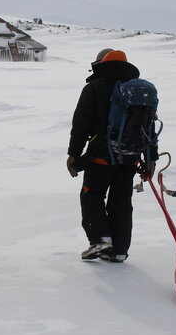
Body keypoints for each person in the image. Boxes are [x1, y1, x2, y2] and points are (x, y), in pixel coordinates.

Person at [67, 48, 157, 263]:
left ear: (100, 64)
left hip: (100, 156)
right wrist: (150, 158)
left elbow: (81, 124)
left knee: (92, 195)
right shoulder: (140, 91)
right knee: (121, 201)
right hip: (130, 157)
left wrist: (73, 154)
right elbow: (149, 128)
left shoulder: (94, 88)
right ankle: (119, 250)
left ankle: (100, 240)